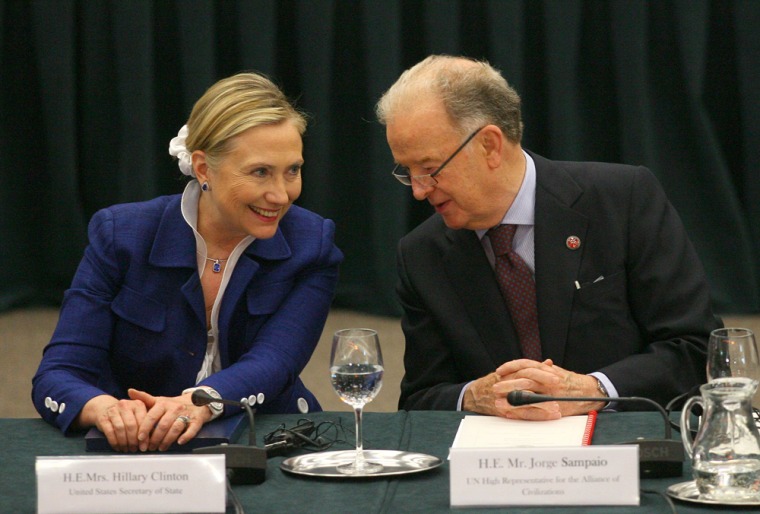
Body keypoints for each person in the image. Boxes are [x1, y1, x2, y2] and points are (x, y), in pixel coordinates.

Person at [375, 55, 720, 420]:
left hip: (623, 442)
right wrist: (474, 396)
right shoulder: (421, 254)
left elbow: (698, 350)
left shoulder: (622, 200)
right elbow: (420, 398)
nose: (417, 190)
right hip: (496, 462)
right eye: (406, 171)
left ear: (489, 145)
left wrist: (594, 390)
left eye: (429, 169)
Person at [32, 72, 343, 451]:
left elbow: (275, 360)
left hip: (268, 437)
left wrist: (198, 402)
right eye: (260, 172)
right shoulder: (121, 235)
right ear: (202, 168)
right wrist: (105, 411)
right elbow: (60, 371)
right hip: (136, 446)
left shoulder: (313, 244)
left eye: (292, 170)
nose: (280, 195)